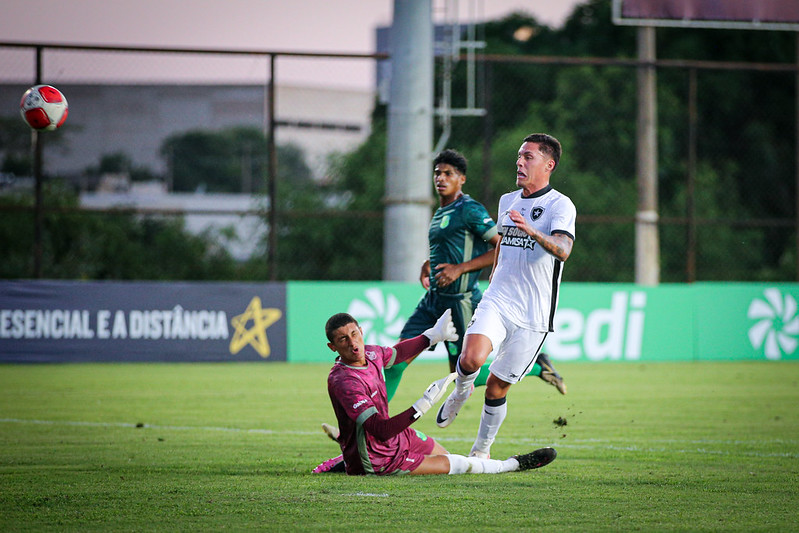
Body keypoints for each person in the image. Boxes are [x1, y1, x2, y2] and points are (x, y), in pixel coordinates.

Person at [384, 148, 567, 403]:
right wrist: (430, 264)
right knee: (395, 361)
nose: (441, 178)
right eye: (437, 173)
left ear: (462, 179)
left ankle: (538, 367)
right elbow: (448, 249)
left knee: (461, 372)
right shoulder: (441, 212)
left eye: (449, 174)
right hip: (433, 299)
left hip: (460, 301)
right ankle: (369, 424)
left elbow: (499, 247)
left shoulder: (469, 210)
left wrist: (459, 269)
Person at [435, 133, 576, 460]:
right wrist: (491, 280)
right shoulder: (507, 201)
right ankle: (459, 391)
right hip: (498, 300)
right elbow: (500, 247)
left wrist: (530, 229)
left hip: (535, 315)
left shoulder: (560, 204)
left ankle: (481, 451)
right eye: (519, 156)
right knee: (469, 360)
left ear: (548, 164)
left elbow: (564, 250)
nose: (519, 162)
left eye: (528, 157)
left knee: (498, 387)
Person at [316, 310, 556, 476]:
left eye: (354, 334)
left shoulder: (370, 353)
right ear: (332, 347)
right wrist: (423, 405)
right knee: (459, 465)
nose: (352, 343)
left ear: (361, 330)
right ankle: (513, 464)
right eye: (343, 340)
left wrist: (431, 336)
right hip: (378, 459)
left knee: (446, 456)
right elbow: (379, 429)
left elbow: (397, 354)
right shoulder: (344, 382)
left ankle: (345, 459)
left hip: (396, 438)